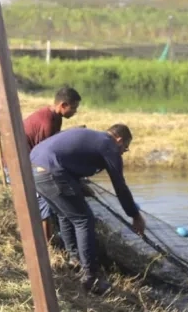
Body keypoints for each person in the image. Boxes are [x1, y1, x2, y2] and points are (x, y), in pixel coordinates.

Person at [30, 124, 145, 294]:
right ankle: (91, 278)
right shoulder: (108, 144)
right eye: (125, 148)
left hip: (34, 169)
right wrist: (135, 215)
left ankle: (74, 260)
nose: (122, 152)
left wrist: (78, 185)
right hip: (51, 171)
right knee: (84, 220)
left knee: (65, 214)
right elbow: (120, 186)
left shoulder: (94, 138)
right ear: (119, 140)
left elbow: (69, 159)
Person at [22, 86, 82, 245]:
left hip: (34, 161)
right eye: (73, 108)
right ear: (63, 105)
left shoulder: (56, 118)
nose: (75, 112)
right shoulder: (47, 121)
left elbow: (54, 143)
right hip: (23, 165)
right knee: (44, 202)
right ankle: (46, 245)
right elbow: (44, 155)